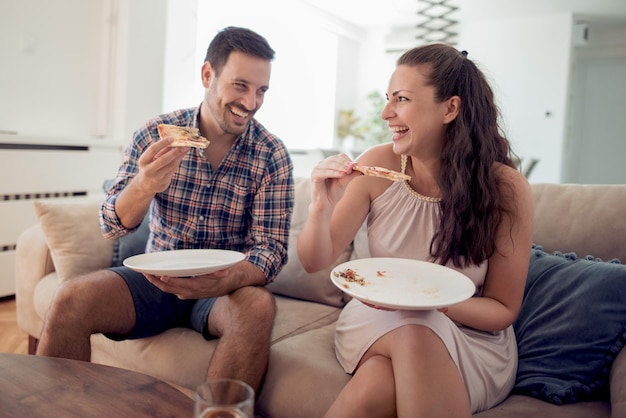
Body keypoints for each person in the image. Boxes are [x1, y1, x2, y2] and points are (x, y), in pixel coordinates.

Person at [36, 26, 295, 394]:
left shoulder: (271, 154)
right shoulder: (155, 134)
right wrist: (145, 185)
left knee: (257, 306)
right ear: (208, 75)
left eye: (261, 90)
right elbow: (111, 225)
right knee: (71, 298)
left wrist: (225, 280)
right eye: (240, 85)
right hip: (155, 278)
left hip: (221, 290)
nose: (251, 102)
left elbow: (270, 249)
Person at [297, 43, 533, 417]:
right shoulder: (377, 165)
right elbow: (314, 261)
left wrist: (424, 303)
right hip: (377, 320)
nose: (385, 113)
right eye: (389, 99)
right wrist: (319, 207)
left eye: (402, 99)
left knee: (380, 379)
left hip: (471, 341)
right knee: (412, 330)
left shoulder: (506, 188)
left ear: (450, 108)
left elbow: (502, 309)